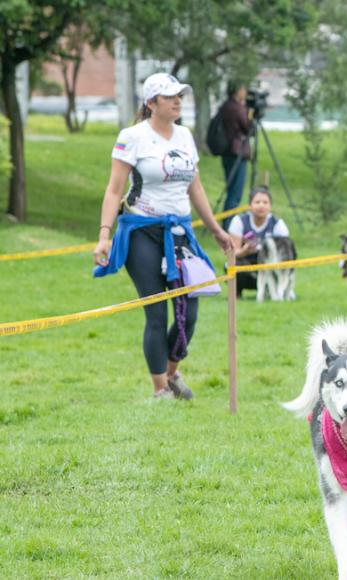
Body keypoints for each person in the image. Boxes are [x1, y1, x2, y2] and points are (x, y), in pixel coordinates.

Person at [92, 72, 233, 400]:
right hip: (141, 232)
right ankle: (160, 390)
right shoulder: (132, 137)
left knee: (191, 307)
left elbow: (194, 187)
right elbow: (114, 191)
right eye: (170, 96)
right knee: (156, 312)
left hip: (180, 232)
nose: (178, 101)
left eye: (180, 95)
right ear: (151, 102)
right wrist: (103, 235)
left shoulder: (184, 136)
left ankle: (172, 372)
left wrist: (216, 230)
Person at [227, 185, 291, 297]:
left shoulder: (278, 225)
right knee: (229, 264)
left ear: (270, 206)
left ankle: (279, 290)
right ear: (249, 205)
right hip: (246, 263)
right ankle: (236, 294)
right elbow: (232, 253)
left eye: (265, 202)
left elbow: (286, 255)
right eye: (257, 202)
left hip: (271, 265)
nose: (261, 205)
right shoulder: (239, 221)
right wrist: (244, 251)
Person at [218, 81, 253, 227]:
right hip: (236, 153)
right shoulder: (236, 108)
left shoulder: (226, 106)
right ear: (236, 91)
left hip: (229, 152)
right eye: (243, 89)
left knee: (232, 190)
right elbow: (249, 128)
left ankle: (229, 222)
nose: (245, 92)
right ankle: (229, 224)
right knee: (235, 192)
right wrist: (250, 113)